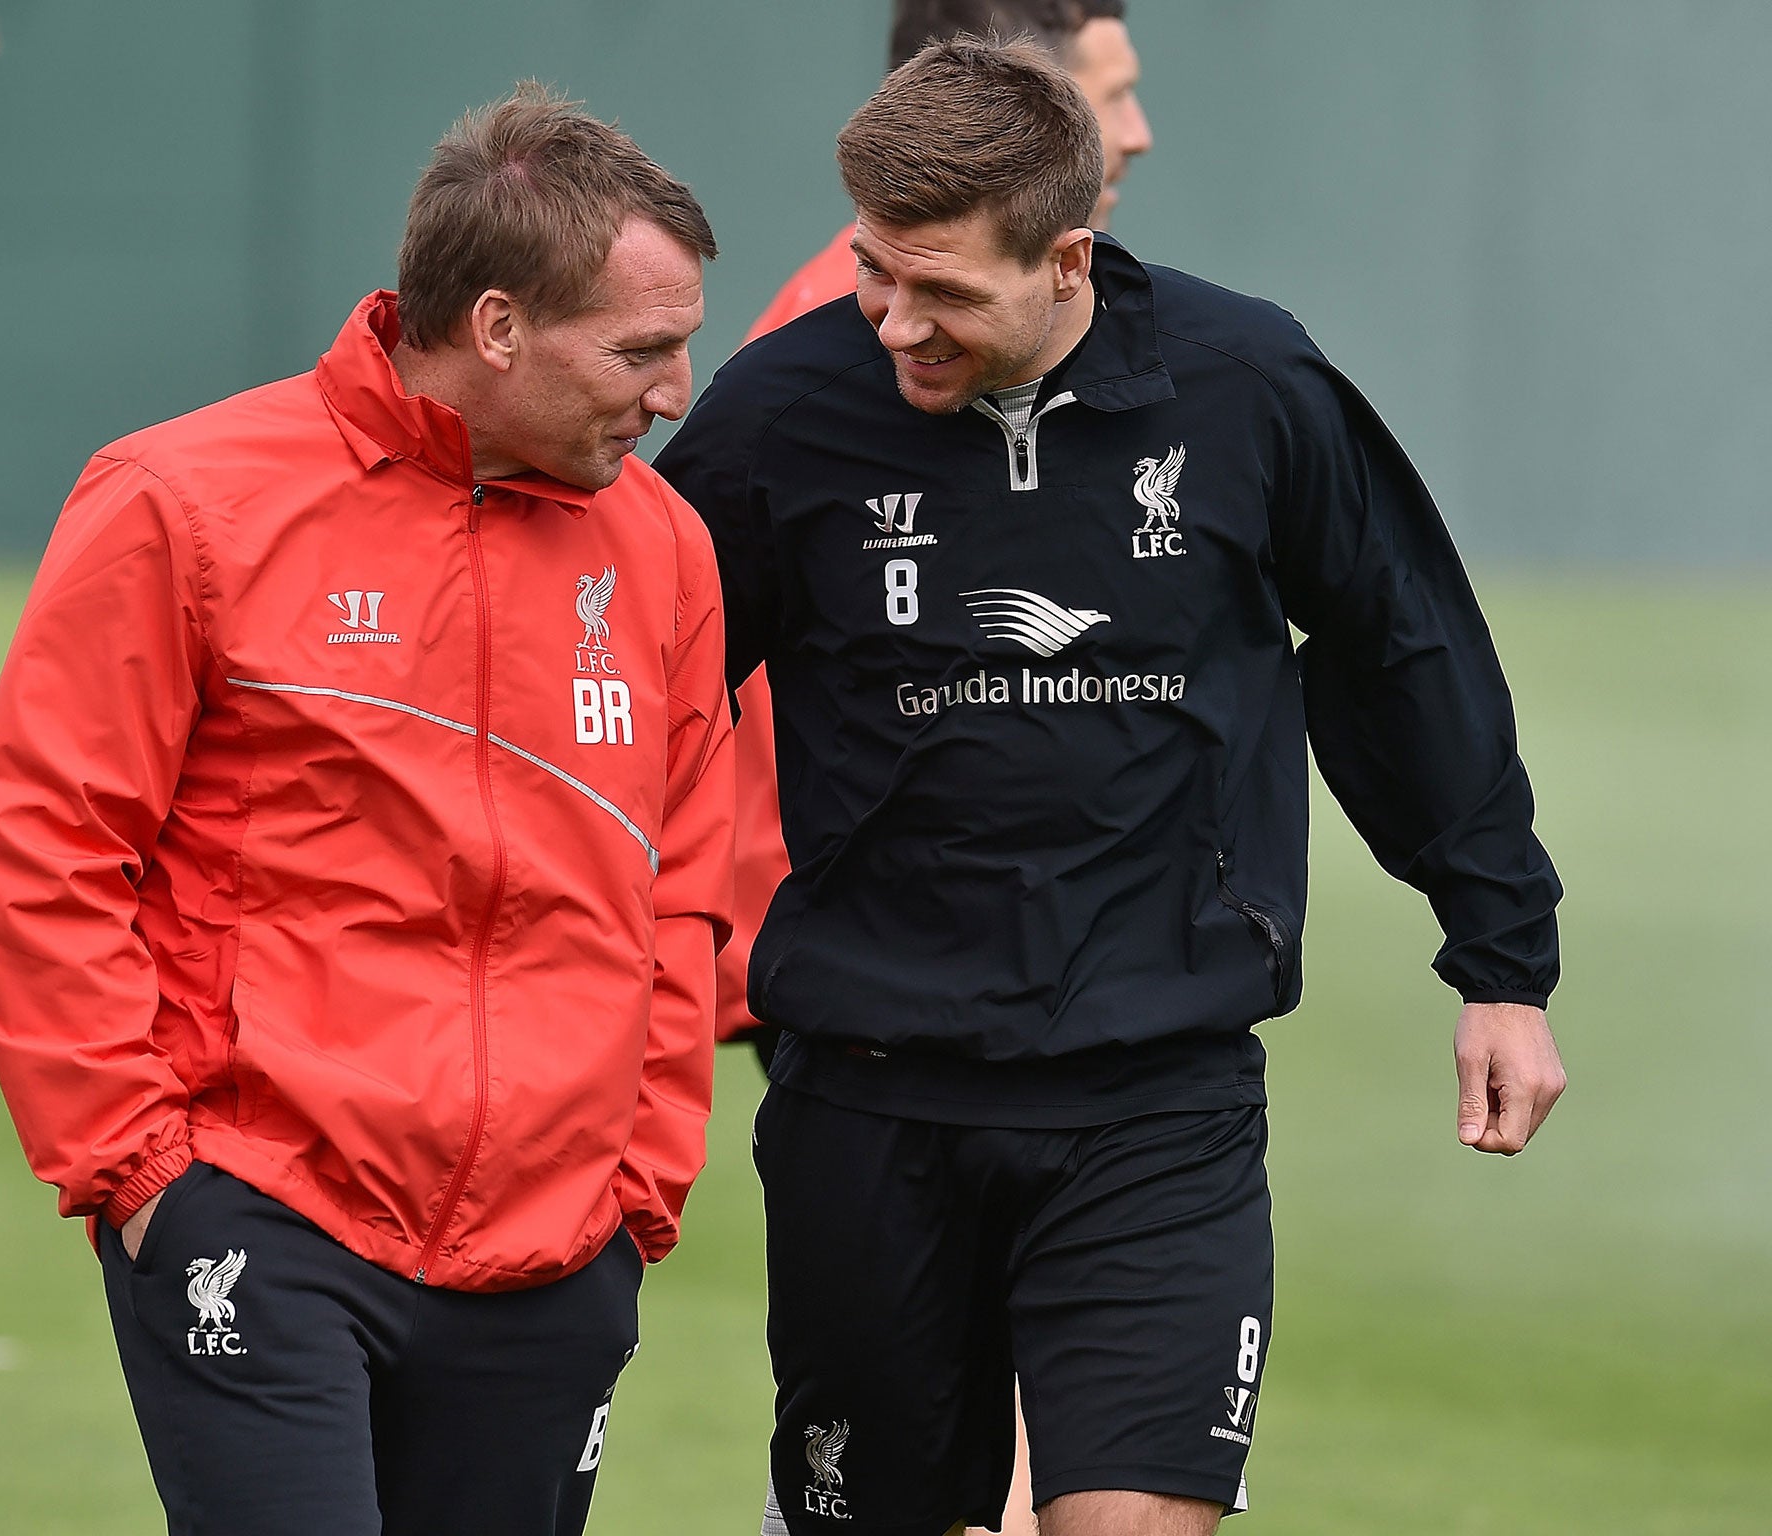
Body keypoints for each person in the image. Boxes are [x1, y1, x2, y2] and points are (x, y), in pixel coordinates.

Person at [657, 36, 1566, 1536]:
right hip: (872, 1099)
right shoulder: (782, 414)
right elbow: (641, 702)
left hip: (1161, 1094)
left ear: (1069, 256)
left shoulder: (1248, 386)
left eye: (943, 290)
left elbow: (1401, 648)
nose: (894, 323)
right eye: (877, 272)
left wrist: (1501, 960)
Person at [0, 86, 734, 1536]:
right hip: (259, 1211)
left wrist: (639, 1185)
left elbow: (683, 879)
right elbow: (49, 841)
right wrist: (141, 1170)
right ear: (498, 327)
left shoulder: (668, 551)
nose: (677, 389)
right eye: (641, 348)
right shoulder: (178, 501)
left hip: (556, 1250)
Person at [724, 0, 1152, 1074]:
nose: (1136, 132)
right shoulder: (846, 353)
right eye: (1109, 97)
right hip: (873, 944)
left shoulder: (1016, 313)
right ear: (1015, 106)